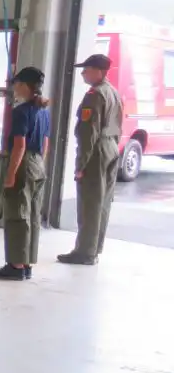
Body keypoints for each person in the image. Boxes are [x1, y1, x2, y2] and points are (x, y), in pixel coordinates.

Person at [57, 54, 123, 265]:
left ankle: (85, 252)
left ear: (99, 71)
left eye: (87, 69)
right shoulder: (113, 92)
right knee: (102, 203)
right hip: (111, 147)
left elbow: (88, 134)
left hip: (97, 151)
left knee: (90, 203)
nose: (83, 73)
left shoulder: (94, 95)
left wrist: (81, 165)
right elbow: (119, 125)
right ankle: (94, 249)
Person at [0, 67, 51, 280]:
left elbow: (19, 146)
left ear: (25, 85)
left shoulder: (21, 111)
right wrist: (39, 164)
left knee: (17, 213)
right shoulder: (44, 110)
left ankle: (15, 265)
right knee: (33, 215)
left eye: (16, 84)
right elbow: (45, 143)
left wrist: (11, 174)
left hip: (23, 163)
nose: (15, 88)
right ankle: (27, 263)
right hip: (38, 163)